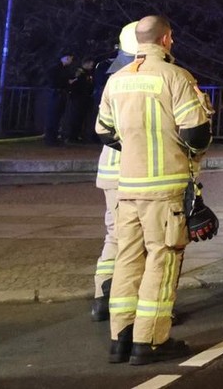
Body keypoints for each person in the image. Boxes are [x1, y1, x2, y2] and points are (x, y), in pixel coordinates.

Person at [95, 15, 211, 365]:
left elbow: (103, 131)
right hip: (165, 190)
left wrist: (135, 149)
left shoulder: (116, 80)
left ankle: (121, 337)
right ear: (165, 39)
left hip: (127, 187)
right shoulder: (176, 77)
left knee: (128, 260)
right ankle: (151, 340)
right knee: (162, 260)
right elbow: (196, 134)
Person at [89, 21, 138, 322]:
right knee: (139, 241)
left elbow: (103, 128)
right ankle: (128, 302)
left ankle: (102, 295)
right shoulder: (149, 81)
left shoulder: (111, 79)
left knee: (115, 235)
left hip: (111, 170)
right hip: (139, 172)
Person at [44, 52, 83, 146]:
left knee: (58, 116)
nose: (70, 61)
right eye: (69, 58)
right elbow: (54, 81)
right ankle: (50, 139)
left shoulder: (64, 69)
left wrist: (73, 78)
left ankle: (54, 137)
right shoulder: (55, 68)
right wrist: (68, 82)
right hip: (56, 94)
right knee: (53, 116)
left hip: (61, 94)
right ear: (64, 58)